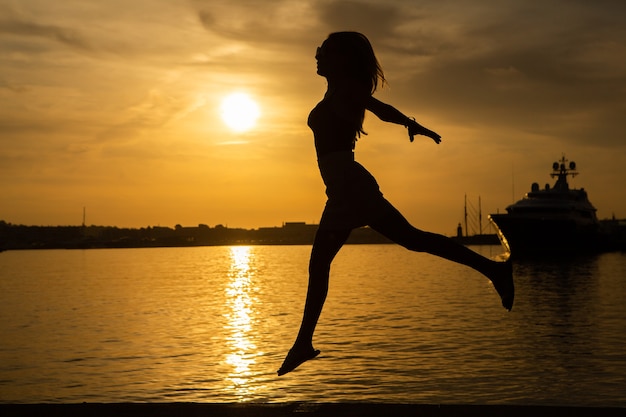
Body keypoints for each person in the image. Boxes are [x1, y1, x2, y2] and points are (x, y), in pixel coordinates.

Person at [277, 32, 514, 376]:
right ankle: (494, 270)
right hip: (343, 189)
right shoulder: (335, 91)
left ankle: (303, 343)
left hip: (351, 188)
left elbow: (381, 109)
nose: (317, 57)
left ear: (341, 59)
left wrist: (413, 125)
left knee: (346, 257)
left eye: (324, 53)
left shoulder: (346, 90)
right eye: (318, 51)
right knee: (405, 242)